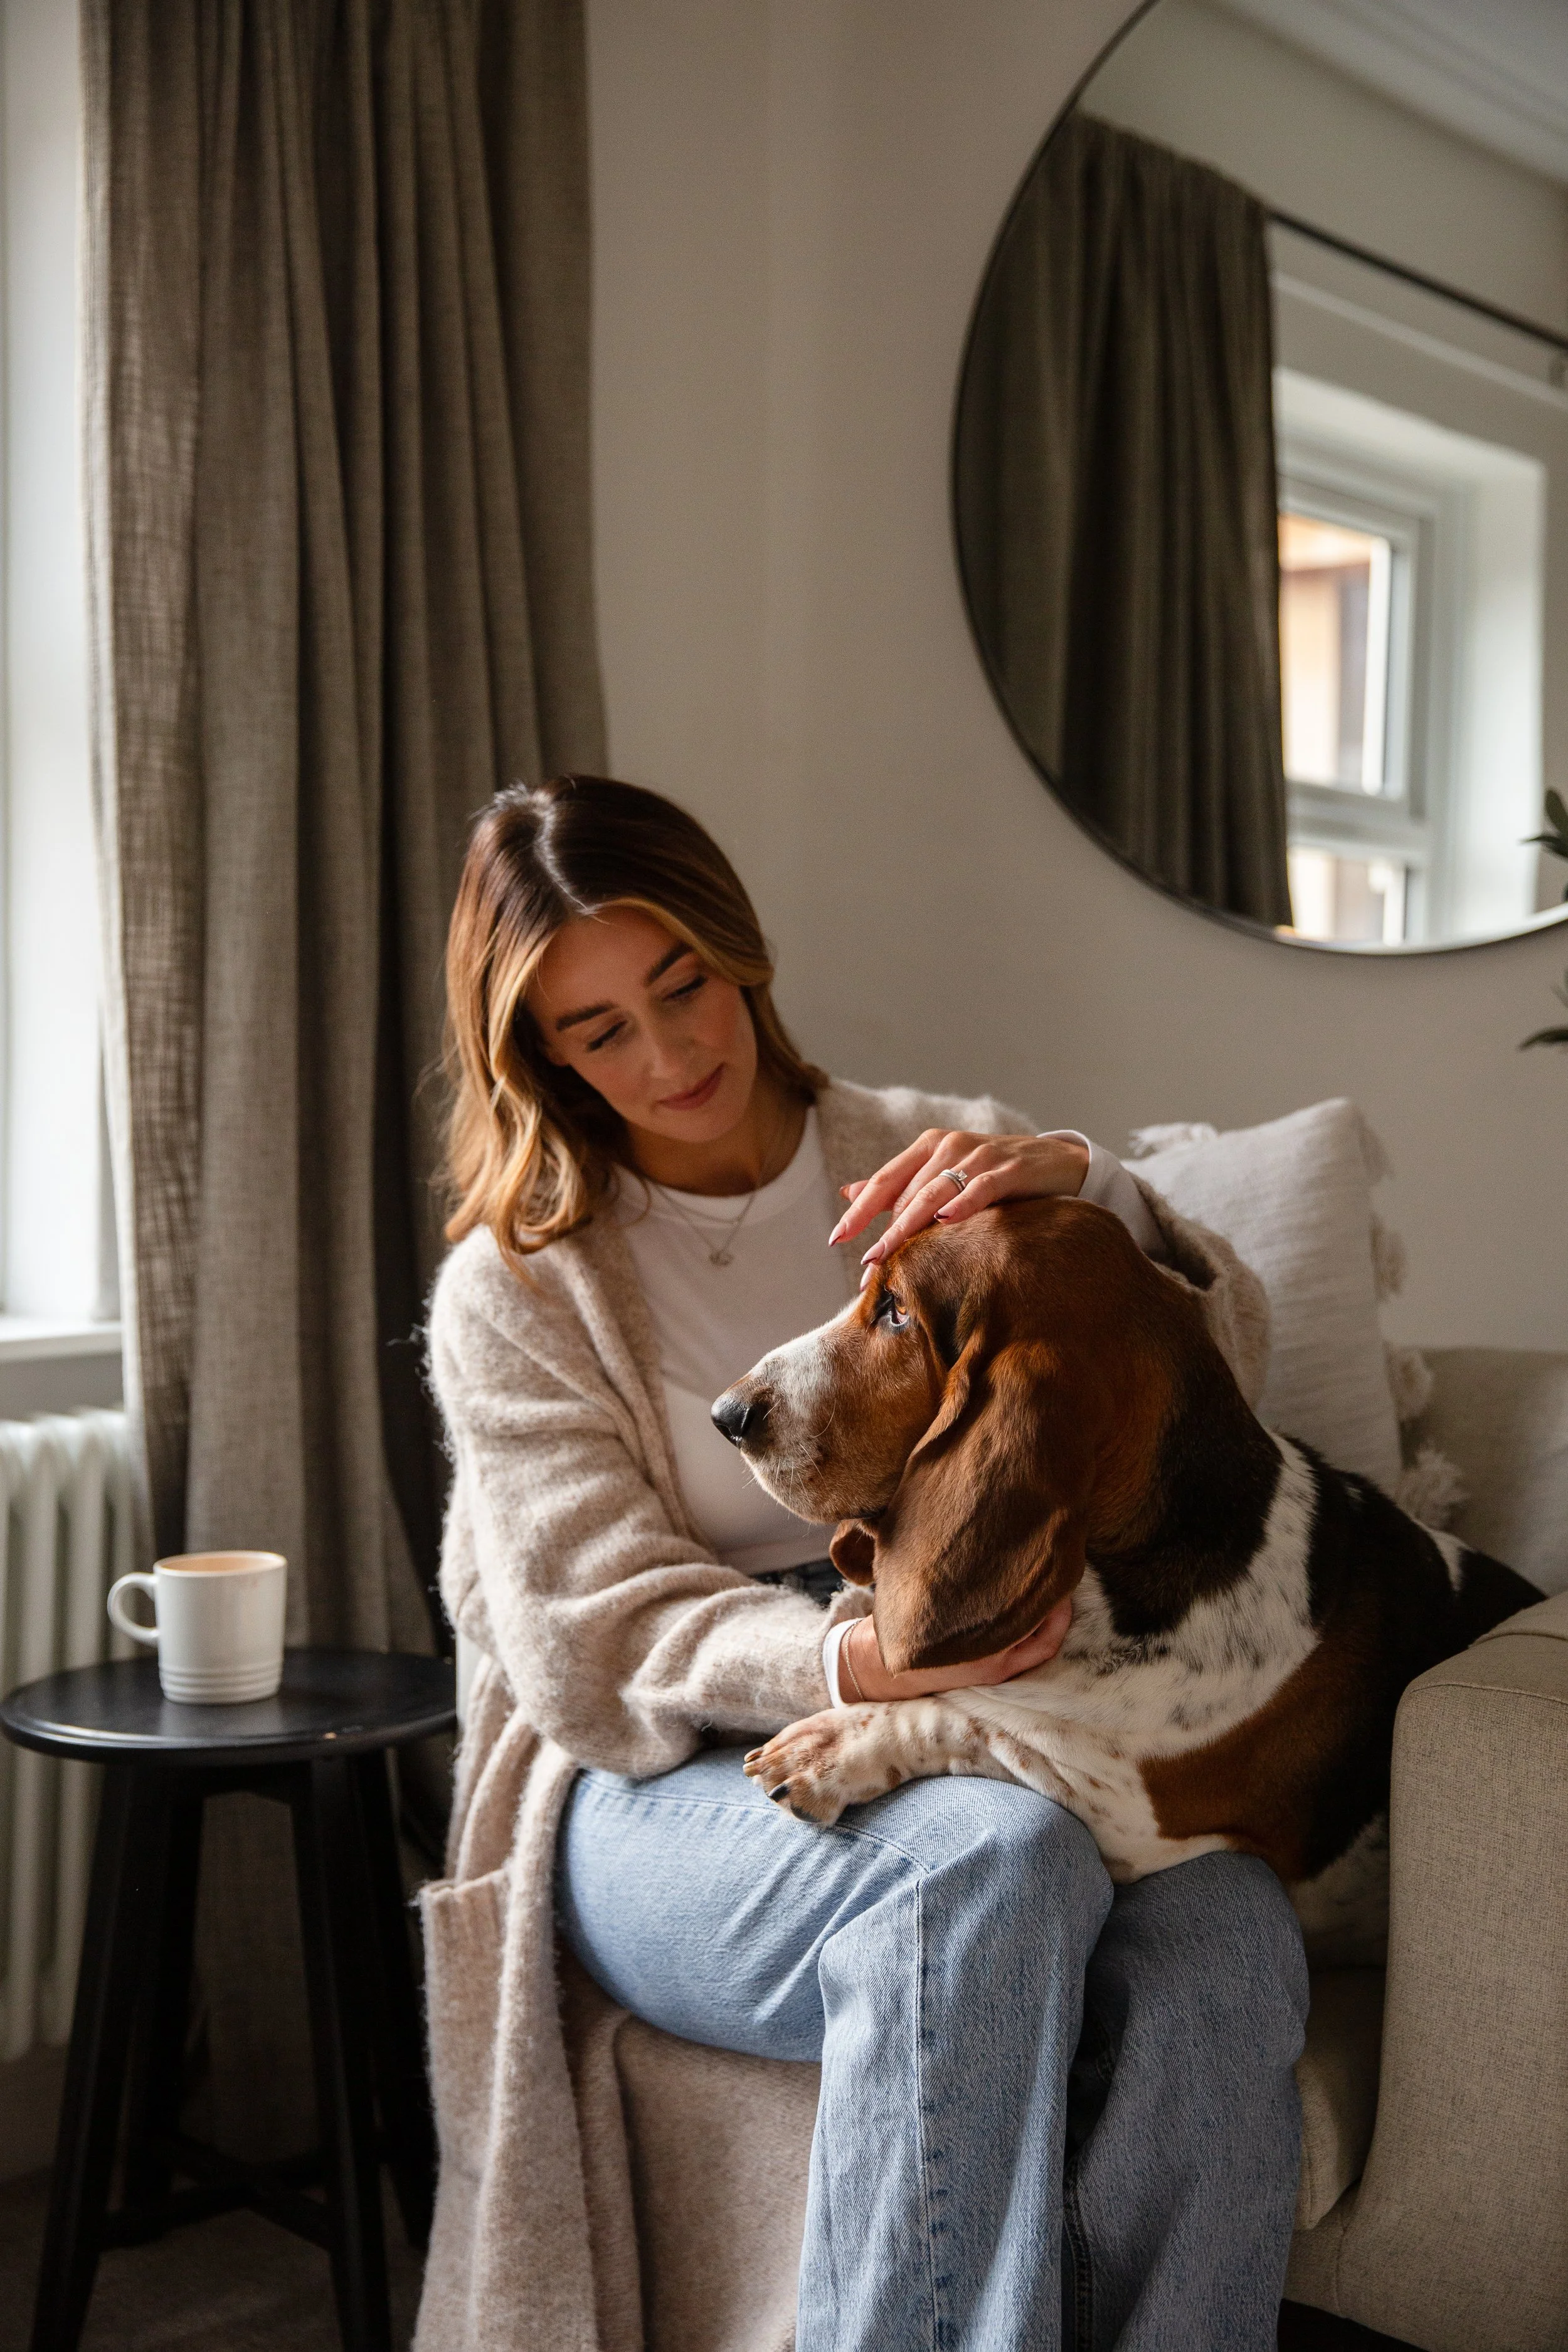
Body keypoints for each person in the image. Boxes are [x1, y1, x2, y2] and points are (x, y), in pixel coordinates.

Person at [417, 773, 1306, 2352]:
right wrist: (858, 1659)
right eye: (599, 1030)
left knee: (1226, 1928)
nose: (670, 1054)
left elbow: (1210, 1382)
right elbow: (586, 1644)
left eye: (680, 984)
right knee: (984, 1859)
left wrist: (1088, 1187)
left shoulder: (925, 1158)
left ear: (738, 950)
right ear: (539, 1057)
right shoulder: (521, 1287)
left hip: (983, 1695)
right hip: (652, 1775)